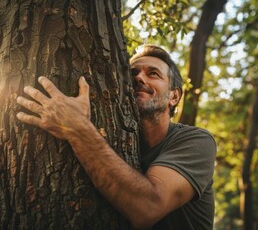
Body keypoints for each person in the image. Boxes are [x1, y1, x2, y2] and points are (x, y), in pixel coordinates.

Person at [16, 44, 216, 229]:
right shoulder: (117, 140)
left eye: (153, 74)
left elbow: (147, 207)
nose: (139, 78)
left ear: (174, 96)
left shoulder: (197, 141)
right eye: (133, 73)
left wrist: (77, 127)